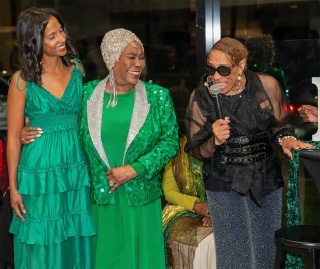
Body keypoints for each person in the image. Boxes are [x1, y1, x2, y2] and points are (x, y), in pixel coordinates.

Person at [22, 28, 179, 268]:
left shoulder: (157, 96)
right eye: (131, 57)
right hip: (101, 202)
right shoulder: (86, 95)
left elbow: (170, 142)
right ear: (111, 58)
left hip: (141, 201)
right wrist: (27, 132)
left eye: (141, 57)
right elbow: (61, 123)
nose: (139, 64)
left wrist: (134, 169)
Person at [184, 37, 316, 269]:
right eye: (210, 69)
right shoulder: (201, 97)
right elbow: (196, 151)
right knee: (234, 256)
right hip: (223, 182)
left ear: (241, 65)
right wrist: (214, 140)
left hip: (265, 178)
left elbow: (279, 127)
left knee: (265, 252)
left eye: (223, 69)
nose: (215, 77)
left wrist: (286, 140)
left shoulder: (266, 86)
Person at [6, 7, 96, 268]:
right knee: (42, 243)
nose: (61, 39)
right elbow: (12, 137)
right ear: (34, 41)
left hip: (76, 168)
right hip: (39, 174)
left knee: (77, 234)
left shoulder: (78, 70)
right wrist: (13, 188)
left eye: (61, 31)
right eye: (52, 36)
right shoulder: (21, 81)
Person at [162, 135, 216, 269]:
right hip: (185, 210)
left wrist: (216, 212)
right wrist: (195, 205)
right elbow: (169, 192)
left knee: (215, 242)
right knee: (202, 243)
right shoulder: (177, 149)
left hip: (225, 208)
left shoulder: (225, 143)